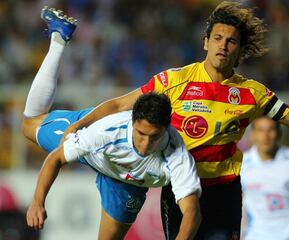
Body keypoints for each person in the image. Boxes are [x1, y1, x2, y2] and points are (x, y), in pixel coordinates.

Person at [60, 1, 289, 239]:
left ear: (239, 50)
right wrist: (80, 124)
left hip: (224, 189)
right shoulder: (174, 80)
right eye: (217, 38)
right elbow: (119, 103)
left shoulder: (252, 93)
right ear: (205, 42)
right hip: (181, 188)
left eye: (231, 41)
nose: (223, 45)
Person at [22, 7, 202, 240]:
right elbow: (56, 158)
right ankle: (58, 40)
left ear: (166, 129)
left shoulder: (176, 154)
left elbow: (192, 212)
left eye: (154, 137)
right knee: (28, 126)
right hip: (93, 147)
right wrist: (37, 202)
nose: (146, 144)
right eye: (141, 134)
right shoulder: (106, 131)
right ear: (133, 121)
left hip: (125, 183)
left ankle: (58, 36)